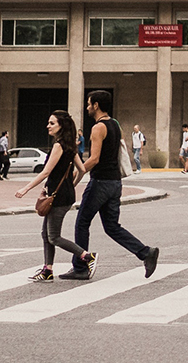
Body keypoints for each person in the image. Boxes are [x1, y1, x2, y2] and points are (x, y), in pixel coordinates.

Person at [63, 90, 159, 282]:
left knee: (82, 222)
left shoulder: (98, 128)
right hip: (115, 182)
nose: (88, 107)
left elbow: (95, 158)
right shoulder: (115, 124)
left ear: (96, 105)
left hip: (100, 182)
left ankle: (81, 267)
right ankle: (146, 252)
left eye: (89, 104)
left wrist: (77, 172)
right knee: (112, 226)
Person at [15, 111, 91, 282]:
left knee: (54, 236)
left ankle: (87, 256)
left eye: (52, 123)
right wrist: (72, 185)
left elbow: (46, 172)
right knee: (46, 234)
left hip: (59, 197)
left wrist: (25, 189)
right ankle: (47, 270)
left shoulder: (59, 146)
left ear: (60, 126)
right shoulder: (70, 146)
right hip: (63, 194)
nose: (48, 126)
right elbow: (82, 170)